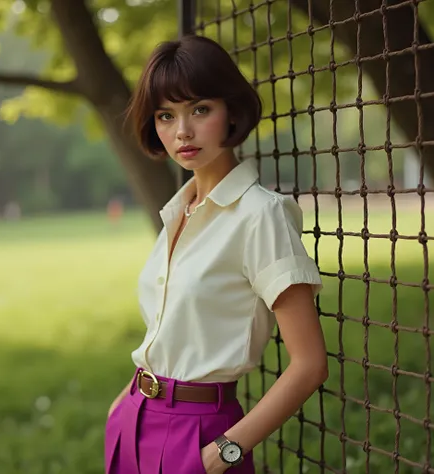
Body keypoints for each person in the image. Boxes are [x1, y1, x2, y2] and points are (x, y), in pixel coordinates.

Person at [105, 35, 328, 474]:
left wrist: (223, 452)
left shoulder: (262, 215)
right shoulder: (179, 211)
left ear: (231, 112)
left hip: (202, 433)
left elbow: (309, 364)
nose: (182, 131)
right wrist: (121, 408)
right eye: (166, 115)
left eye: (200, 109)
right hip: (133, 417)